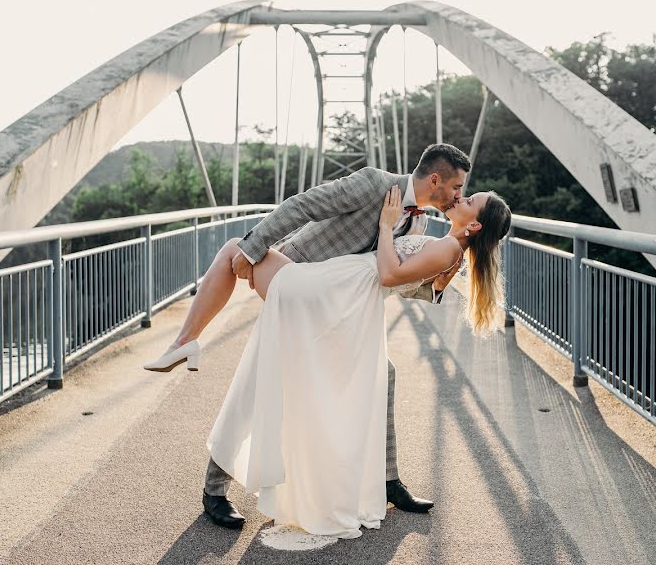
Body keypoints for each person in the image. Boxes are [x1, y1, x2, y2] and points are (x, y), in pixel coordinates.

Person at [141, 144, 494, 529]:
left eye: (465, 193)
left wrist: (435, 285)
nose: (459, 195)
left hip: (337, 309)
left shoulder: (418, 222)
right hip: (299, 280)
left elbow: (390, 275)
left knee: (383, 374)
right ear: (436, 180)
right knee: (265, 376)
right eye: (458, 187)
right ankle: (214, 490)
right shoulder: (375, 184)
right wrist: (256, 246)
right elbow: (303, 206)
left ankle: (387, 480)